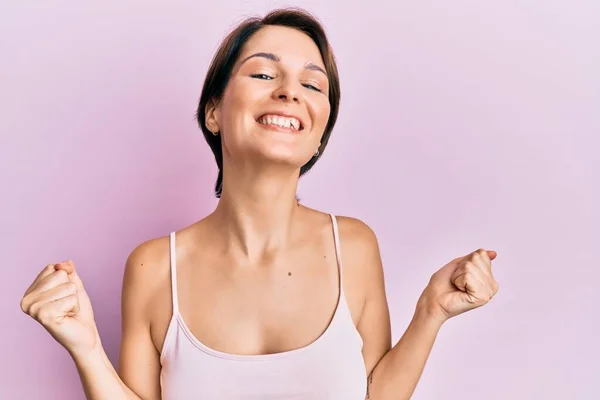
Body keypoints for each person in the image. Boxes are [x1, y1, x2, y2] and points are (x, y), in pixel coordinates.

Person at [20, 7, 499, 400]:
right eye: (265, 73)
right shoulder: (152, 266)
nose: (290, 91)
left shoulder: (353, 245)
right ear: (213, 112)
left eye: (312, 85)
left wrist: (431, 312)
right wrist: (84, 347)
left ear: (317, 137)